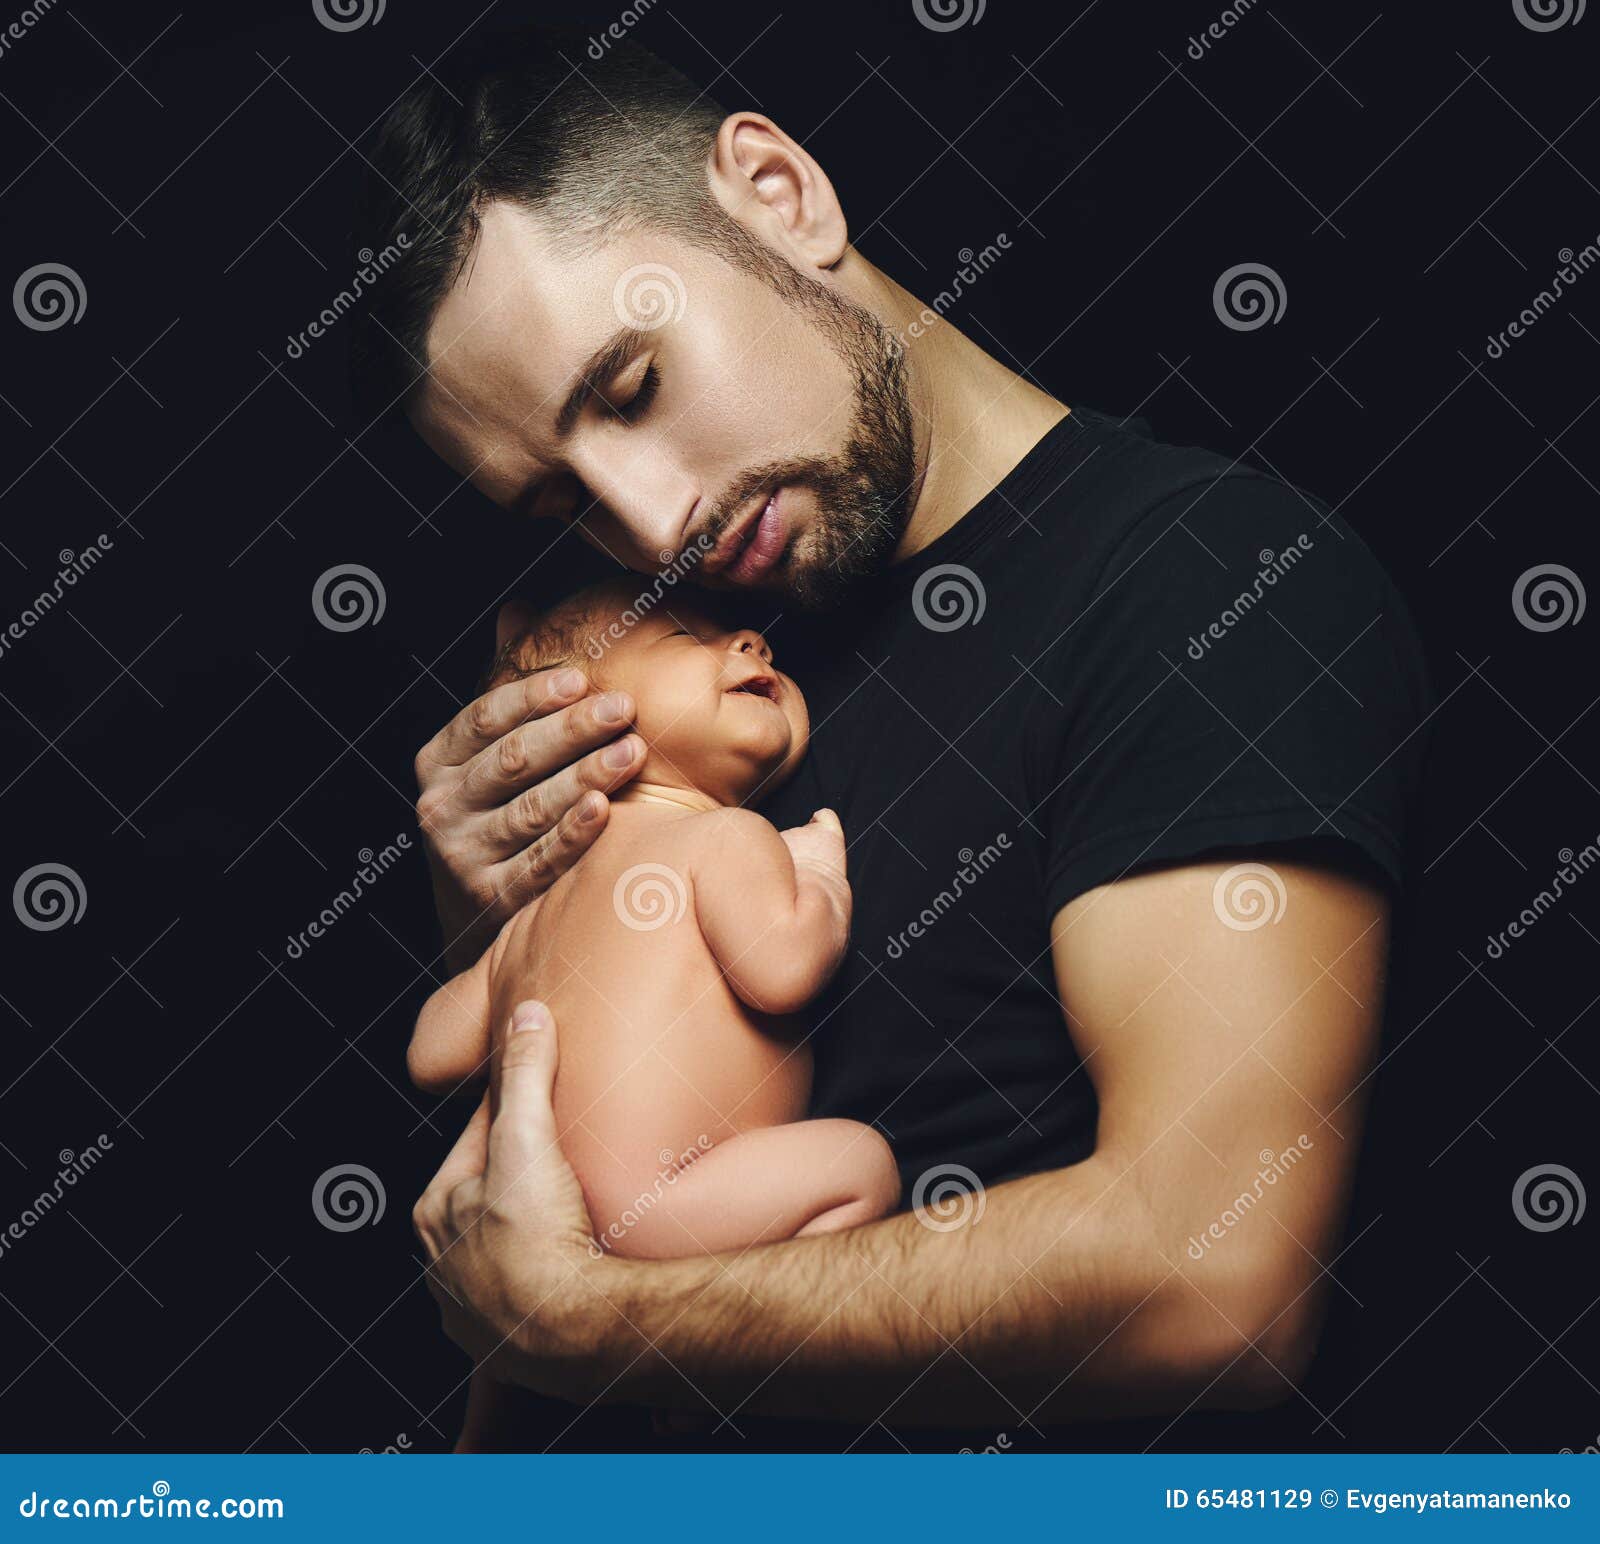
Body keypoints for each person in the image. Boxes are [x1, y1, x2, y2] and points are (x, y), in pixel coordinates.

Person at [350, 26, 1431, 1444]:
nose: (654, 528)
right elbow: (570, 1178)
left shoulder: (1211, 583)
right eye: (563, 505)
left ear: (780, 194)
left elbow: (1208, 1279)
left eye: (631, 389)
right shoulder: (674, 680)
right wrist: (486, 905)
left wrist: (586, 1328)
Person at [408, 579, 898, 1448]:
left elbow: (432, 1053)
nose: (754, 641)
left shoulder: (535, 916)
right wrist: (819, 876)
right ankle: (732, 1375)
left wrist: (513, 979)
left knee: (507, 1369)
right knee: (863, 1164)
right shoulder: (726, 837)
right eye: (687, 636)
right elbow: (784, 970)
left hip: (530, 1214)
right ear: (580, 722)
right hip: (669, 1205)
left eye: (753, 641)